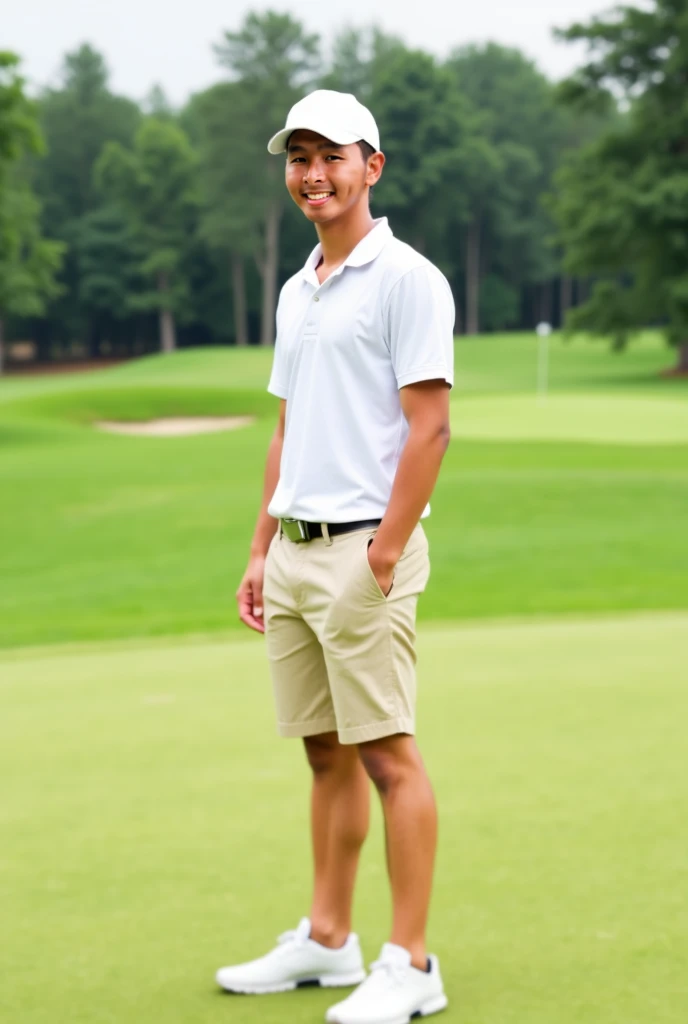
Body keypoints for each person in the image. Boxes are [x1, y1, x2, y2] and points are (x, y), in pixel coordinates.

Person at [216, 89, 455, 1024]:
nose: (312, 173)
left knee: (388, 755)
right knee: (325, 755)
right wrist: (259, 546)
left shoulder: (407, 278)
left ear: (372, 167)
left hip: (365, 551)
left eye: (332, 156)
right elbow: (289, 426)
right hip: (296, 551)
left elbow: (429, 428)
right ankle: (327, 939)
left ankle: (411, 962)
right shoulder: (297, 285)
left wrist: (387, 551)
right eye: (298, 157)